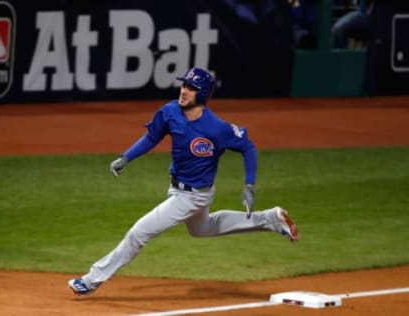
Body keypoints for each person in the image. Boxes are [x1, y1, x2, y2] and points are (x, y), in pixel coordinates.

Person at [68, 67, 299, 295]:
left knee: (139, 233)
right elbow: (151, 137)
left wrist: (249, 186)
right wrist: (126, 157)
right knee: (202, 229)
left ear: (202, 94)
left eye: (191, 88)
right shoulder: (169, 112)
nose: (184, 91)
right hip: (180, 189)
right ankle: (270, 219)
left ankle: (92, 279)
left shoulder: (216, 128)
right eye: (184, 85)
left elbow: (247, 147)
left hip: (192, 196)